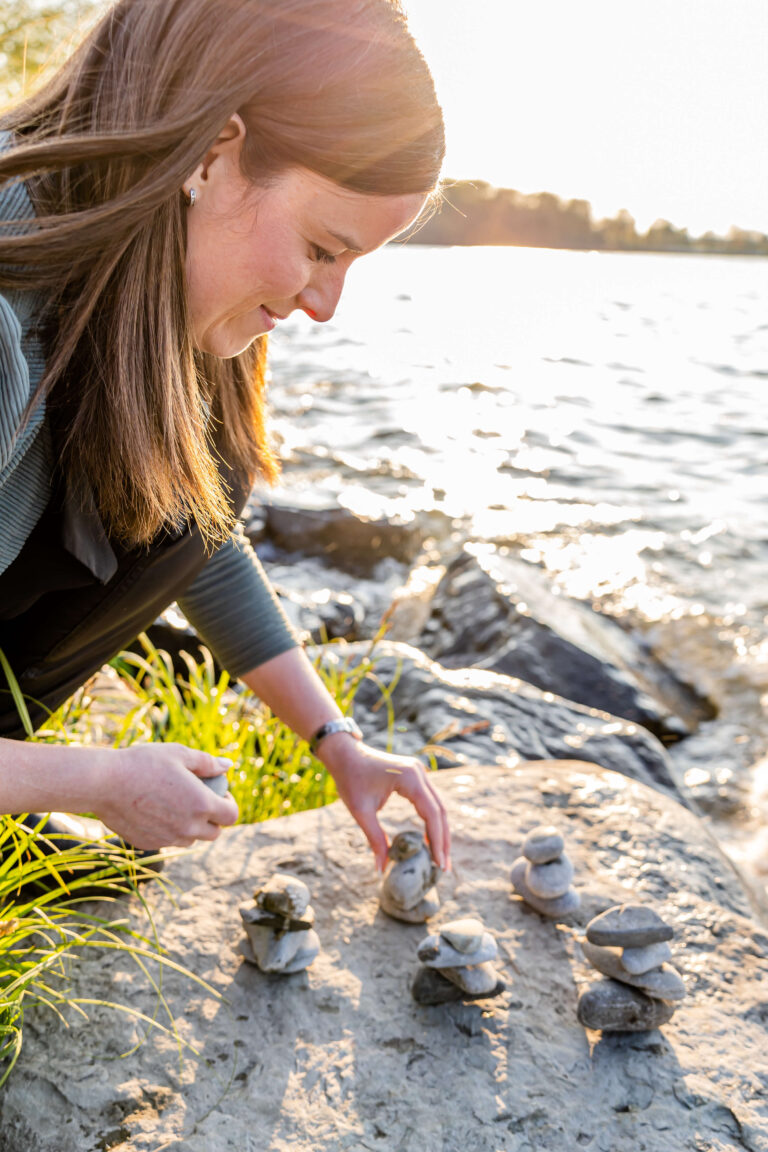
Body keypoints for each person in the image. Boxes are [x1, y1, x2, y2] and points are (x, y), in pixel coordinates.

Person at [0, 0, 450, 875]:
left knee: (215, 462)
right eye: (323, 247)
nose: (325, 305)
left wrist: (336, 739)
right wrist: (95, 780)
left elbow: (192, 531)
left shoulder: (149, 281)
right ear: (214, 153)